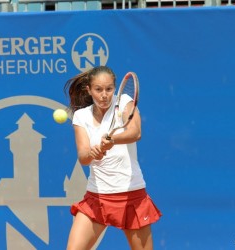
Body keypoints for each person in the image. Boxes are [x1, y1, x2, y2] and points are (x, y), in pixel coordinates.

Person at [64, 66, 162, 250]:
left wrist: (112, 139)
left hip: (131, 195)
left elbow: (135, 132)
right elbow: (83, 157)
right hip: (97, 199)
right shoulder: (81, 116)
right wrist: (92, 153)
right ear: (89, 89)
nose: (104, 95)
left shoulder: (124, 102)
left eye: (109, 89)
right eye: (98, 89)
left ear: (115, 88)